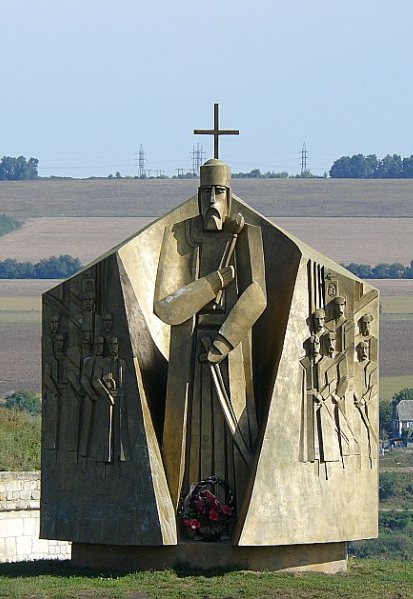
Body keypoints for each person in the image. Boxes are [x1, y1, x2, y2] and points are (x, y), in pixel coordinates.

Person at [154, 158, 266, 507]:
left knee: (233, 434)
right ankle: (182, 506)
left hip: (229, 352)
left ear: (230, 195)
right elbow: (167, 306)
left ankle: (236, 508)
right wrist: (213, 282)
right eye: (206, 192)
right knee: (185, 440)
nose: (213, 200)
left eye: (219, 191)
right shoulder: (179, 235)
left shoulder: (246, 234)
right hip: (187, 353)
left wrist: (224, 340)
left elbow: (258, 294)